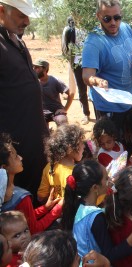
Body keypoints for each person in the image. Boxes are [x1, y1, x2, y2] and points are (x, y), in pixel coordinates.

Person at [0, 0, 49, 202]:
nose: (27, 21)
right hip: (15, 144)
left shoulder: (14, 39)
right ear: (2, 10)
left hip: (34, 137)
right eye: (21, 15)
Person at [82, 0, 132, 147]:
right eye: (107, 18)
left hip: (129, 101)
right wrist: (97, 81)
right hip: (109, 108)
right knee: (112, 149)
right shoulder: (93, 42)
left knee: (129, 144)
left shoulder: (125, 28)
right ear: (98, 16)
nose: (113, 23)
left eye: (117, 17)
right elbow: (86, 75)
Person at [61, 160, 132, 262]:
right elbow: (109, 256)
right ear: (95, 188)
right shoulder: (96, 218)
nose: (110, 180)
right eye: (106, 178)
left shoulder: (79, 204)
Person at [0, 133, 62, 235]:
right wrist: (57, 210)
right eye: (15, 157)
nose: (20, 158)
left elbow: (28, 217)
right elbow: (34, 229)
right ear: (4, 167)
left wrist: (45, 208)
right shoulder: (21, 198)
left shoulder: (5, 193)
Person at [37, 124, 85, 202]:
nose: (84, 146)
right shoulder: (77, 173)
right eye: (81, 143)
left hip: (57, 212)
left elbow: (41, 196)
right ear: (70, 148)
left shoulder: (49, 167)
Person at [61, 16, 91, 125]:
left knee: (94, 87)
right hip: (78, 64)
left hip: (91, 62)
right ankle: (86, 113)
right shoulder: (70, 30)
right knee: (82, 89)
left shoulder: (90, 28)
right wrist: (71, 60)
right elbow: (65, 47)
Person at [32, 59, 74, 127]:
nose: (34, 70)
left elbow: (71, 93)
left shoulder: (54, 81)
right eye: (33, 67)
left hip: (56, 110)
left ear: (45, 69)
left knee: (62, 122)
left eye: (37, 68)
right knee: (38, 129)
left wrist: (65, 109)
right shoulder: (34, 82)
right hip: (43, 112)